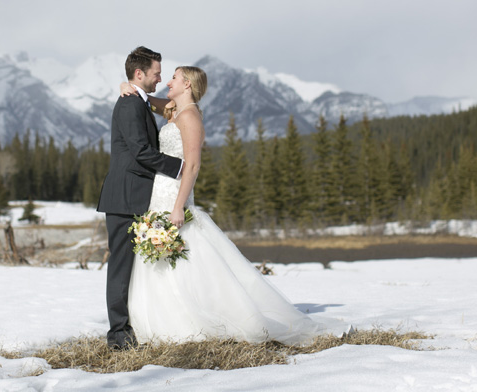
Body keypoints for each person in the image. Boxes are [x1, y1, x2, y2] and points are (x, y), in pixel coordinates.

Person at [123, 65, 351, 344]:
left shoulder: (191, 117)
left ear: (188, 85)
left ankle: (193, 321)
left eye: (174, 78)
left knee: (185, 260)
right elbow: (152, 102)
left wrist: (179, 206)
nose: (168, 82)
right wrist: (132, 90)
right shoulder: (174, 109)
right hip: (158, 196)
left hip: (174, 198)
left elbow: (192, 166)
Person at [97, 46, 184, 350]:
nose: (160, 79)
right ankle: (118, 336)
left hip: (135, 195)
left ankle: (133, 326)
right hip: (124, 196)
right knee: (121, 267)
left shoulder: (139, 101)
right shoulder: (131, 104)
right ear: (139, 73)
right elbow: (140, 152)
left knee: (134, 267)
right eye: (156, 73)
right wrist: (181, 167)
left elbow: (173, 103)